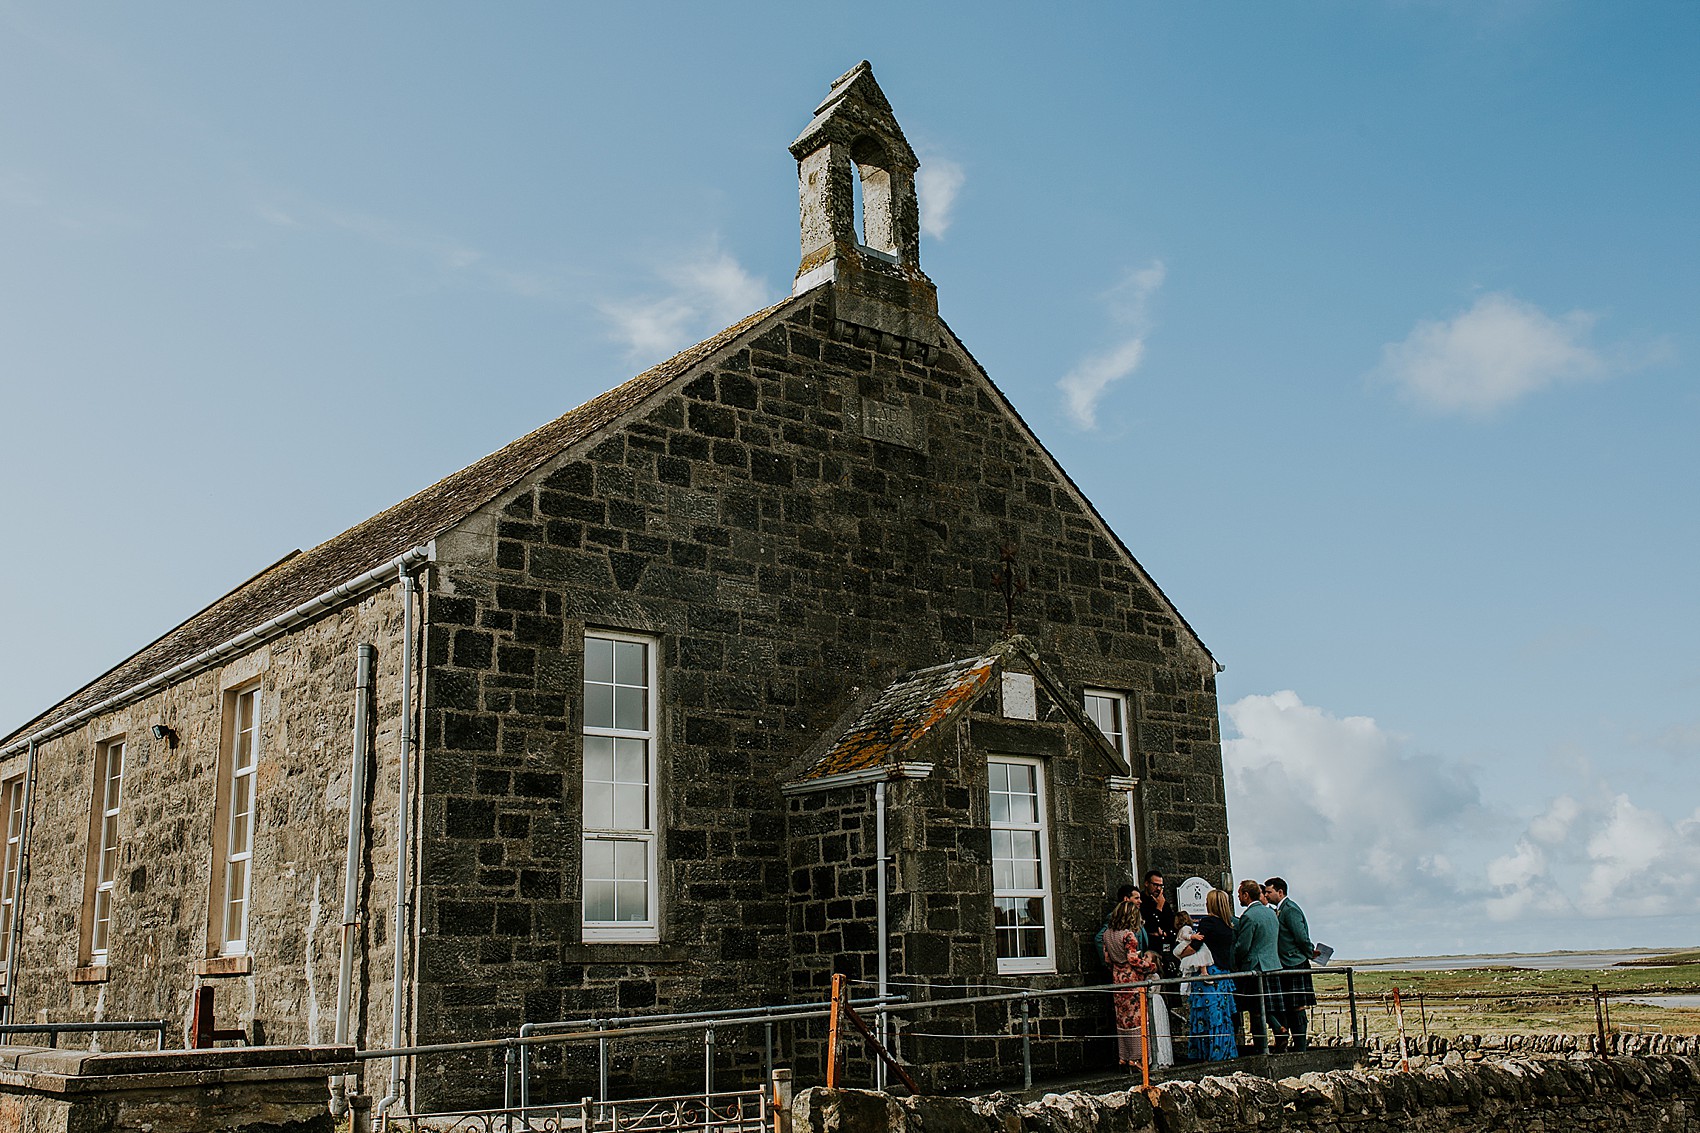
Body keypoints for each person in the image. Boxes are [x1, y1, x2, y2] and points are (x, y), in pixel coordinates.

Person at [1177, 887, 1238, 1061]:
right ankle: (1224, 1053)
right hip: (1223, 974)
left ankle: (1207, 1054)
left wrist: (1179, 953)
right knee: (1222, 1016)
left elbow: (1195, 946)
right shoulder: (1228, 926)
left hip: (1207, 973)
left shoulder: (1207, 923)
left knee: (1206, 1016)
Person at [1102, 895, 1158, 1067]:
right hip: (1130, 977)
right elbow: (1133, 960)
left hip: (1117, 977)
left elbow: (1107, 959)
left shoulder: (1107, 934)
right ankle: (1137, 1056)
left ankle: (1124, 1056)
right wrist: (1150, 966)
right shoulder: (1128, 936)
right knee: (1137, 1017)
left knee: (1122, 1018)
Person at [1263, 877, 1317, 1051]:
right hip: (1286, 962)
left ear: (1280, 892)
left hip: (1295, 962)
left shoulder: (1290, 910)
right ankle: (1295, 1045)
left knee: (1297, 1005)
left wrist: (1309, 952)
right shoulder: (1279, 910)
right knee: (1289, 1005)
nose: (1266, 895)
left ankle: (1301, 1047)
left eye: (1269, 892)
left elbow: (1301, 936)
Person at [1230, 878, 1281, 1054]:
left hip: (1255, 967)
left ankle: (1262, 1049)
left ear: (1246, 895)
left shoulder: (1249, 916)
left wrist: (1234, 959)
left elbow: (1243, 946)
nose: (1238, 899)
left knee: (1256, 1009)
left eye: (1239, 895)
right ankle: (1278, 1029)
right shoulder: (1270, 913)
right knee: (1266, 1005)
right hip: (1273, 965)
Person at [1142, 949, 1175, 1068]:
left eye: (1146, 957)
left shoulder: (1154, 976)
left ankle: (1160, 1058)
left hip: (1154, 1001)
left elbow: (1150, 990)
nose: (1143, 958)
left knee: (1157, 1027)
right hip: (1151, 1001)